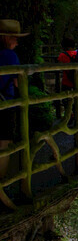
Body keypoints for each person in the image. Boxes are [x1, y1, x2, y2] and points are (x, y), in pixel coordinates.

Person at [0, 18, 29, 178]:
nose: (17, 43)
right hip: (5, 104)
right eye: (15, 39)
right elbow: (19, 82)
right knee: (4, 144)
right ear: (6, 38)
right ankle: (1, 186)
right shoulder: (10, 56)